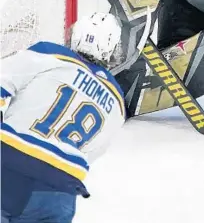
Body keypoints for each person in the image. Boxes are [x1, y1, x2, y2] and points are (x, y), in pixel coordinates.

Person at [1, 13, 125, 223]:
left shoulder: (48, 53)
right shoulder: (117, 100)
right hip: (60, 187)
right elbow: (92, 151)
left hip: (10, 164)